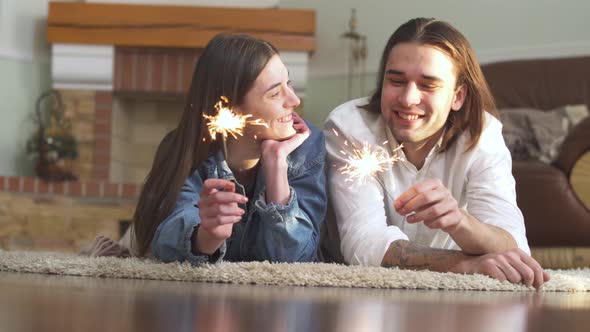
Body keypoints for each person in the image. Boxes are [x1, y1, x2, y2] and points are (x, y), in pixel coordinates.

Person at [323, 18, 550, 288]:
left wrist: (460, 222)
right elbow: (363, 245)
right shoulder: (350, 127)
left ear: (458, 96)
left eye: (428, 85)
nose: (408, 99)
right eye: (396, 81)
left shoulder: (483, 135)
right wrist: (467, 265)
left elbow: (514, 248)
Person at [84, 34, 326, 264]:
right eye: (275, 93)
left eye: (289, 83)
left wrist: (277, 169)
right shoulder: (186, 151)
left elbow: (296, 259)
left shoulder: (305, 147)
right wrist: (207, 235)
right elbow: (166, 241)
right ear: (229, 108)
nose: (294, 100)